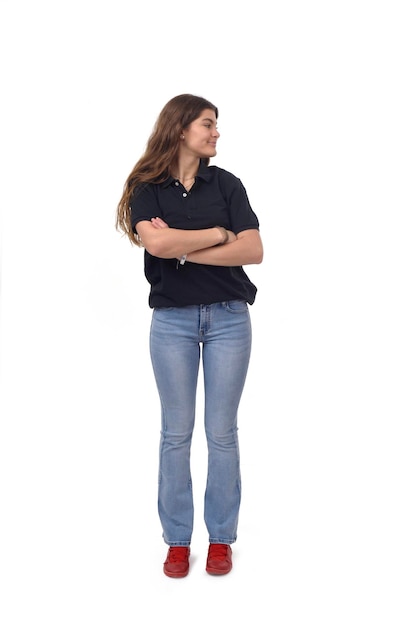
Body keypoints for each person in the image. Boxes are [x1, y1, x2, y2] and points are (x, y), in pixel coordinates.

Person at [116, 94, 263, 578]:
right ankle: (178, 542)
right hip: (172, 323)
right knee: (175, 435)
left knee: (222, 434)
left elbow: (255, 249)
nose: (216, 132)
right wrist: (220, 236)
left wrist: (184, 247)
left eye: (216, 125)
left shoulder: (227, 184)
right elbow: (154, 242)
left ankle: (220, 539)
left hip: (229, 318)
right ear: (181, 129)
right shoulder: (147, 187)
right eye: (208, 124)